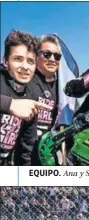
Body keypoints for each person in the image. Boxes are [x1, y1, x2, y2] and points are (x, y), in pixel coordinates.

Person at [1, 30, 41, 165]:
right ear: (5, 61)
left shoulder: (33, 94)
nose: (25, 66)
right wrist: (9, 104)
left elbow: (27, 145)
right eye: (18, 59)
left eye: (30, 61)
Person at [29, 35, 60, 140]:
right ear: (36, 56)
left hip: (44, 151)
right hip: (20, 151)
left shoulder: (61, 89)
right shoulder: (26, 79)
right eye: (47, 54)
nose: (52, 59)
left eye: (57, 56)